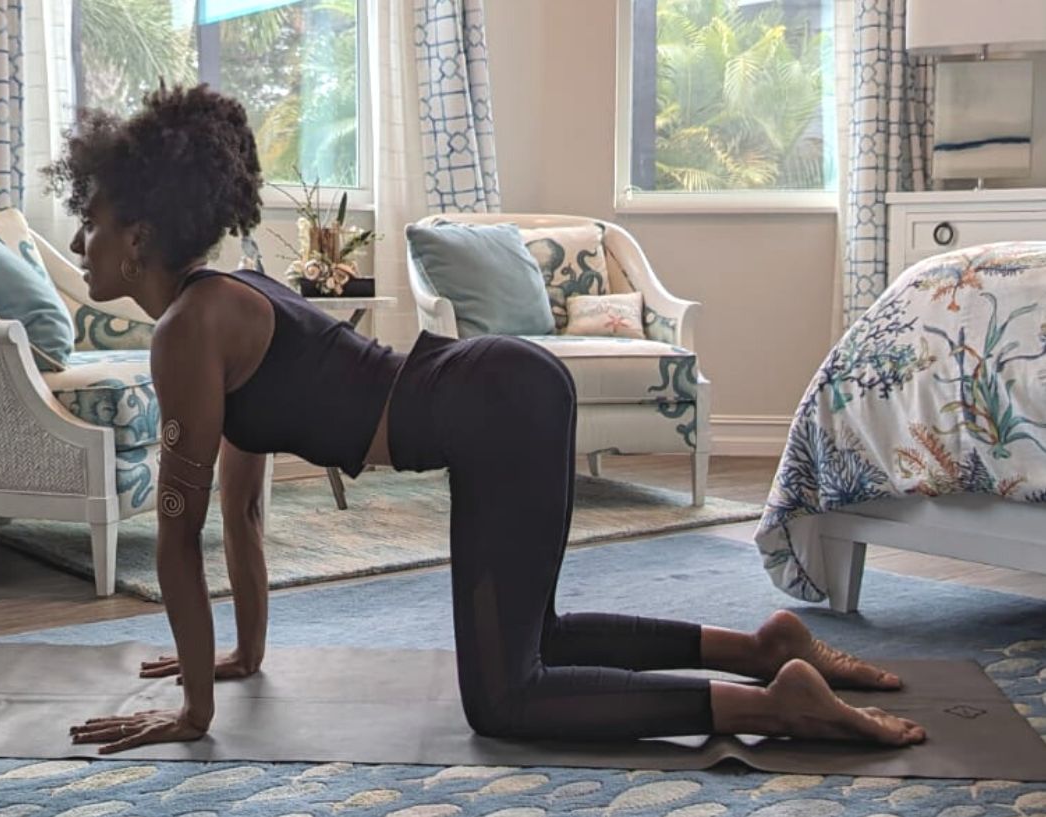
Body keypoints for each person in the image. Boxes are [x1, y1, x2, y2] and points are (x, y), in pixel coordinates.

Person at [47, 84, 926, 755]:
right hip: (503, 388)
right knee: (530, 639)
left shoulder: (189, 330)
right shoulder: (226, 303)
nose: (80, 245)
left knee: (504, 702)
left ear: (137, 234)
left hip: (490, 405)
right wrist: (239, 655)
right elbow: (237, 509)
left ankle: (770, 706)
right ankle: (761, 646)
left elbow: (176, 538)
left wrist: (195, 711)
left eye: (89, 225)